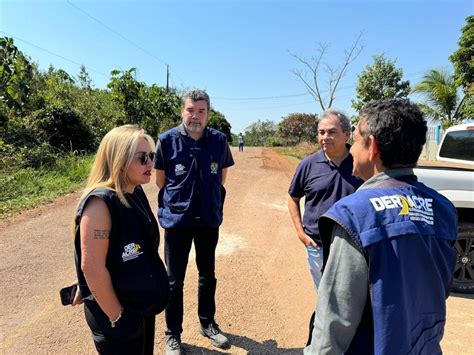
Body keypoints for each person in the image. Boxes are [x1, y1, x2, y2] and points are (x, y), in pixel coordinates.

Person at [305, 99, 457, 354]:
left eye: (354, 140)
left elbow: (334, 324)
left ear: (372, 146)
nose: (352, 150)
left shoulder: (353, 214)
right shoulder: (443, 209)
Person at [72, 125, 169, 354]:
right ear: (119, 159)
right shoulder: (100, 204)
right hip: (117, 316)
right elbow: (92, 267)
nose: (150, 164)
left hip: (137, 307)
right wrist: (118, 317)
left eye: (152, 156)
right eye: (142, 158)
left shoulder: (134, 191)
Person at [154, 89, 234, 354]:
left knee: (207, 275)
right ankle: (172, 334)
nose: (195, 116)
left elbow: (220, 177)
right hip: (177, 220)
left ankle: (207, 323)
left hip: (208, 219)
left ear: (208, 114)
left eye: (201, 111)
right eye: (190, 110)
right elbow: (161, 181)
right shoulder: (166, 141)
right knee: (173, 280)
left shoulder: (219, 141)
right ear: (182, 111)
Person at [288, 109, 362, 291]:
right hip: (317, 245)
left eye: (331, 132)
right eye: (321, 132)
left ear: (346, 134)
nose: (325, 137)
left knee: (353, 296)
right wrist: (300, 233)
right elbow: (293, 197)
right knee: (325, 296)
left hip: (354, 246)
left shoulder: (360, 163)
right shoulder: (308, 164)